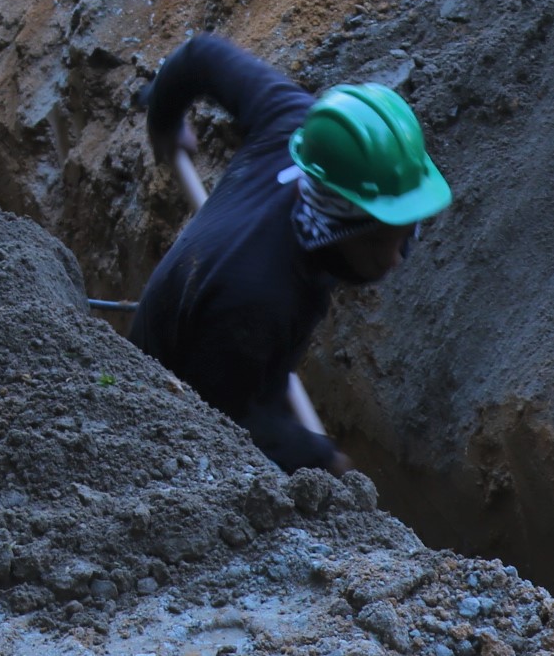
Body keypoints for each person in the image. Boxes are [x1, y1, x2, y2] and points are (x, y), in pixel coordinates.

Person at [128, 35, 451, 471]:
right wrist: (320, 459)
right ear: (337, 224)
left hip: (230, 341)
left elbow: (201, 56)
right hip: (163, 396)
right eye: (376, 241)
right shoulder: (255, 298)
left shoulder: (301, 131)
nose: (394, 259)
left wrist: (164, 119)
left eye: (403, 231)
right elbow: (226, 418)